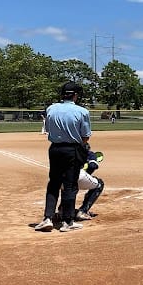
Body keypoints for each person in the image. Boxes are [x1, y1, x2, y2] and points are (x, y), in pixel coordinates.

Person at [35, 81, 92, 232]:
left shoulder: (51, 109)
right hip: (72, 150)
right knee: (70, 185)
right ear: (75, 95)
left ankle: (47, 218)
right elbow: (85, 137)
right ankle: (67, 221)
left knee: (53, 183)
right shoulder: (82, 111)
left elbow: (47, 129)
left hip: (54, 149)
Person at [75, 149, 105, 221]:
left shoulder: (66, 151)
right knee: (100, 184)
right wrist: (87, 173)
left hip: (59, 179)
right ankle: (83, 211)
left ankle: (62, 211)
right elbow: (92, 166)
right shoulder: (89, 153)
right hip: (79, 177)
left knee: (69, 189)